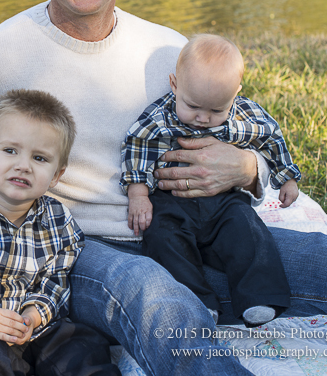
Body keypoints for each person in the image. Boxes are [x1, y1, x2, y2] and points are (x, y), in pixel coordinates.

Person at [0, 0, 327, 375]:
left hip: (192, 231)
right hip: (79, 253)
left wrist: (248, 168)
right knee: (159, 298)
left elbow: (248, 138)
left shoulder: (168, 51)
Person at [0, 89, 120, 376]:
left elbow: (54, 281)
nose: (23, 165)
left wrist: (35, 315)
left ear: (56, 175)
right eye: (10, 151)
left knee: (83, 347)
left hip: (36, 328)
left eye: (39, 158)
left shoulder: (58, 220)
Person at [121, 34, 299, 327]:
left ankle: (259, 296)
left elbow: (272, 138)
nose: (203, 118)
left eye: (217, 110)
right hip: (171, 201)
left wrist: (287, 178)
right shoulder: (158, 118)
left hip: (225, 199)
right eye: (193, 107)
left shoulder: (245, 114)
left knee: (249, 231)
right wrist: (138, 194)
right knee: (162, 238)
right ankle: (196, 301)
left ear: (235, 94)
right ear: (174, 84)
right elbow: (136, 146)